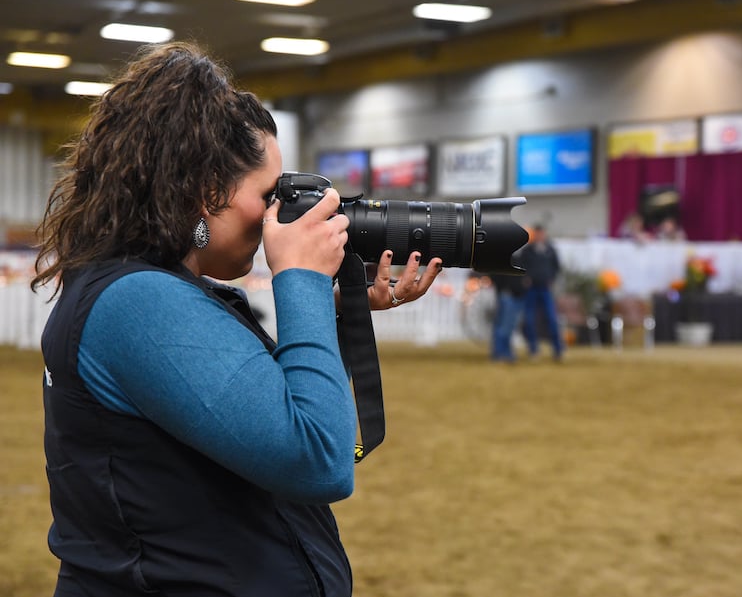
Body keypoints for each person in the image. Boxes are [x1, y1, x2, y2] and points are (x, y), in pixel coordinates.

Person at [29, 41, 443, 597]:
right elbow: (317, 458)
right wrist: (302, 279)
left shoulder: (139, 287)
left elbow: (254, 407)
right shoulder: (140, 304)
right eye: (268, 195)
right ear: (205, 192)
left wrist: (330, 307)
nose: (279, 213)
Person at [518, 224, 564, 361]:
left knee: (551, 318)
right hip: (531, 289)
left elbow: (556, 267)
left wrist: (552, 279)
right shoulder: (527, 251)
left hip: (545, 288)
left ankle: (557, 350)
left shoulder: (550, 250)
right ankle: (533, 349)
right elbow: (521, 267)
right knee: (529, 319)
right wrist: (526, 279)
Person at [489, 272, 528, 363]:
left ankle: (502, 352)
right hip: (509, 294)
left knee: (506, 327)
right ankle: (501, 353)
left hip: (516, 294)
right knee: (505, 327)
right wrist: (505, 287)